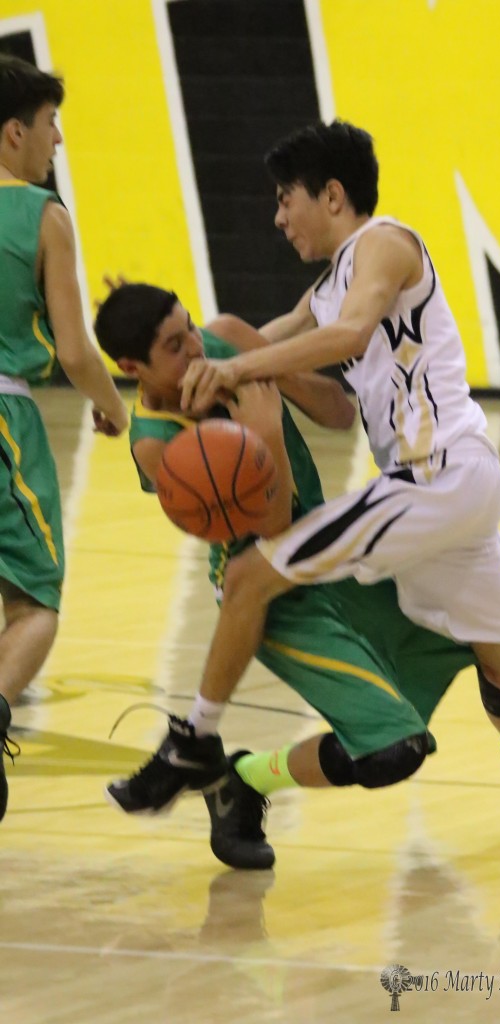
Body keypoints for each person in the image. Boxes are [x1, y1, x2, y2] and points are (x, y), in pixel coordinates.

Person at [167, 119, 500, 858]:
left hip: (436, 478)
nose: (278, 218)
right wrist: (173, 369)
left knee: (254, 572)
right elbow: (259, 339)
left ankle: (195, 742)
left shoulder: (384, 244)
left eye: (287, 199)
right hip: (447, 492)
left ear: (333, 195)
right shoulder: (330, 282)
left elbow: (345, 338)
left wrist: (241, 372)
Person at [94, 283, 500, 869]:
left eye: (190, 328)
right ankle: (244, 779)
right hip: (268, 588)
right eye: (176, 347)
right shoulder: (157, 444)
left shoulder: (226, 339)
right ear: (133, 367)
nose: (196, 350)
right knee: (391, 754)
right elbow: (274, 528)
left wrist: (269, 371)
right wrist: (268, 430)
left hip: (333, 544)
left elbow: (337, 411)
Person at [0, 56, 128, 822]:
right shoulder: (42, 216)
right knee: (35, 600)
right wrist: (115, 408)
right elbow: (76, 351)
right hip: (5, 419)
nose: (59, 141)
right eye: (51, 125)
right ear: (14, 134)